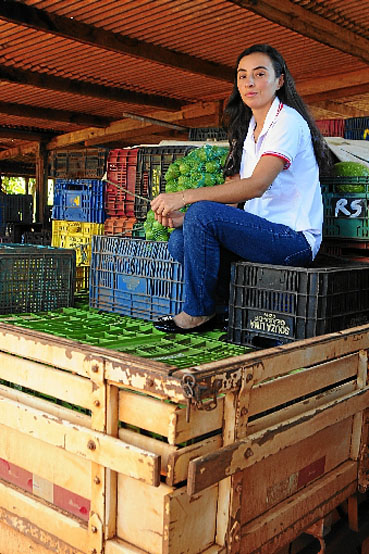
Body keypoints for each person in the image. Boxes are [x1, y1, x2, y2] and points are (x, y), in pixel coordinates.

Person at [151, 43, 331, 334]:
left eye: (260, 74)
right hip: (261, 232)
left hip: (293, 241)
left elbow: (256, 186)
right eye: (242, 75)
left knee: (200, 211)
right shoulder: (251, 129)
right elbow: (237, 201)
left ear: (279, 80)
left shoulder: (286, 122)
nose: (249, 82)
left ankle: (197, 313)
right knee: (180, 239)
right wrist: (184, 219)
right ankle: (221, 309)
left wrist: (184, 198)